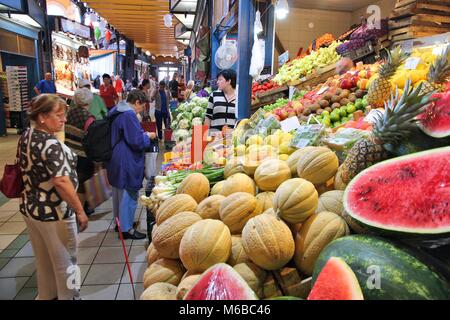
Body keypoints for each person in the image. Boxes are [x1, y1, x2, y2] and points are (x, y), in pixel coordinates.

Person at [19, 94, 88, 300]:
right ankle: (71, 296)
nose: (63, 120)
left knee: (44, 262)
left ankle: (47, 296)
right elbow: (61, 182)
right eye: (58, 115)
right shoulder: (51, 144)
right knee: (67, 263)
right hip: (55, 212)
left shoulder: (26, 135)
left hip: (31, 209)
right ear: (41, 117)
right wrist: (79, 209)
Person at [105, 90, 154, 239]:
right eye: (143, 106)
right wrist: (148, 136)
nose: (142, 109)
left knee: (118, 193)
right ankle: (126, 230)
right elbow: (137, 142)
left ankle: (119, 223)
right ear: (137, 102)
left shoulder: (117, 110)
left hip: (115, 156)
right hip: (126, 158)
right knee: (129, 193)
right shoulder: (129, 115)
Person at [65, 88, 96, 216]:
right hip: (83, 154)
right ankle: (81, 210)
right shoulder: (88, 117)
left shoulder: (69, 113)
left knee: (74, 180)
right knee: (83, 182)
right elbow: (91, 138)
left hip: (69, 151)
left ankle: (76, 206)